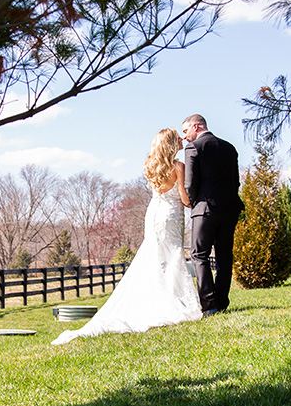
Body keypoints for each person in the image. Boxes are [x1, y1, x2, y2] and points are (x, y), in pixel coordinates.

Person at [52, 128, 200, 345]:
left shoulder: (152, 166)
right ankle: (173, 303)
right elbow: (184, 198)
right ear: (170, 143)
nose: (181, 140)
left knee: (156, 259)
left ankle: (157, 300)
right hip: (170, 215)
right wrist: (195, 203)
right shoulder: (178, 166)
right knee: (173, 257)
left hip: (153, 216)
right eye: (177, 138)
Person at [182, 113, 242, 315]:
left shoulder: (194, 147)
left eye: (186, 131)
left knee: (199, 254)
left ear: (196, 126)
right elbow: (236, 181)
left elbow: (190, 183)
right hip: (230, 207)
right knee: (225, 255)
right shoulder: (229, 147)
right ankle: (222, 302)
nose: (184, 137)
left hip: (204, 208)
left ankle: (209, 305)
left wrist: (193, 204)